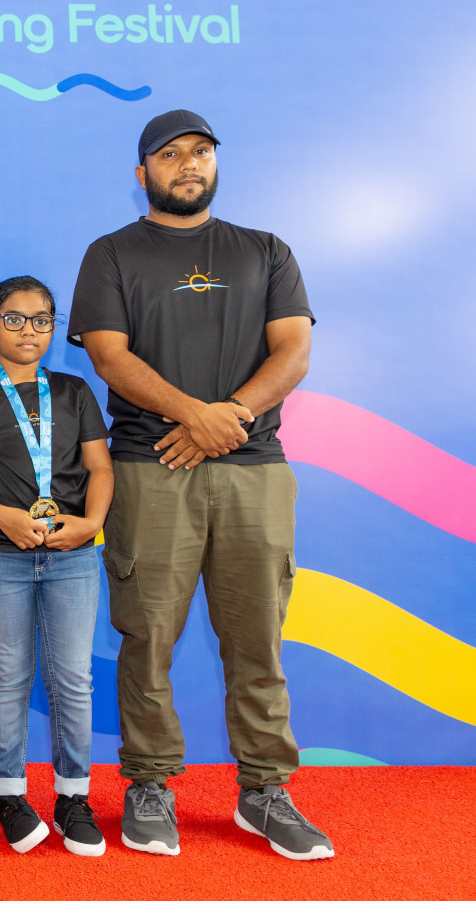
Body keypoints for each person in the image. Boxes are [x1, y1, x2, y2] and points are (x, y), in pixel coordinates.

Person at [69, 110, 334, 860]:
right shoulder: (112, 253)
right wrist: (195, 417)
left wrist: (233, 418)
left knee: (258, 641)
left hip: (255, 473)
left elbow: (295, 351)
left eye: (201, 152)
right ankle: (150, 783)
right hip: (152, 470)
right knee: (147, 638)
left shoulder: (266, 251)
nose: (189, 164)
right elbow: (111, 358)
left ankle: (265, 791)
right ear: (142, 171)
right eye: (171, 154)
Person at [0, 276, 113, 857]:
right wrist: (7, 519)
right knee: (9, 676)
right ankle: (9, 794)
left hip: (73, 556)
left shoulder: (74, 390)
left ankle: (73, 797)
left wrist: (91, 524)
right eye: (14, 319)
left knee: (73, 679)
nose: (29, 330)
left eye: (42, 319)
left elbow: (102, 468)